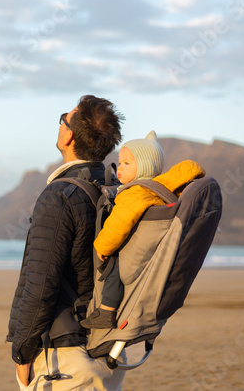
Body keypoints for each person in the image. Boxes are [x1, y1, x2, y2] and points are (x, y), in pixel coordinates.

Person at [7, 95, 126, 390]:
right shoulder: (115, 192)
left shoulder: (60, 196)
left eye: (64, 117)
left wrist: (21, 354)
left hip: (65, 360)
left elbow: (40, 283)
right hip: (107, 350)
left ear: (68, 134)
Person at [81, 131, 205, 329]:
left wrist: (102, 247)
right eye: (119, 163)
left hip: (134, 257)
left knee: (114, 264)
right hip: (153, 252)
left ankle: (106, 310)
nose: (119, 168)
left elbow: (118, 225)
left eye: (127, 164)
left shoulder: (135, 194)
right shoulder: (160, 189)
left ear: (145, 167)